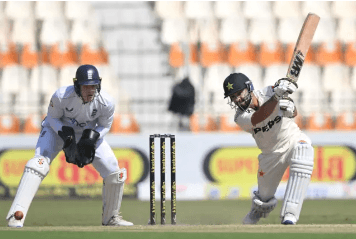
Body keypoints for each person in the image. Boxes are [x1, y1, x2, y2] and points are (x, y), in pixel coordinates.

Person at [7, 65, 133, 227]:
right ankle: (16, 216)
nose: (90, 91)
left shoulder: (106, 102)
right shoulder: (61, 96)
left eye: (93, 86)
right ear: (77, 85)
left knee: (113, 170)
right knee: (38, 164)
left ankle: (111, 218)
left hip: (87, 133)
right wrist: (65, 133)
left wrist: (92, 138)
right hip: (57, 130)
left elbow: (104, 126)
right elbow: (51, 119)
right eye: (86, 86)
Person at [223, 73, 314, 225]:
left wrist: (291, 108)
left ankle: (290, 215)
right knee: (263, 199)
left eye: (239, 93)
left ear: (249, 88)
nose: (237, 99)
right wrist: (277, 97)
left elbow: (293, 111)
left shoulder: (269, 92)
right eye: (233, 97)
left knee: (304, 150)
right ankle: (255, 213)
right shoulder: (239, 116)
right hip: (270, 155)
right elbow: (259, 117)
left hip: (292, 139)